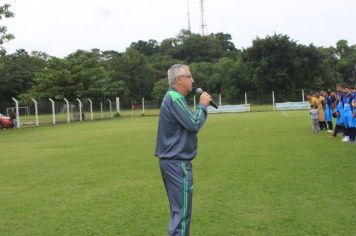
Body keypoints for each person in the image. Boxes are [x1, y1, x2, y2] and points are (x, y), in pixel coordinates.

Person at [155, 64, 212, 236]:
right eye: (189, 76)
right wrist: (202, 105)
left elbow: (189, 121)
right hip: (177, 163)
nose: (192, 80)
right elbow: (194, 124)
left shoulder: (171, 98)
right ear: (179, 79)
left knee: (178, 209)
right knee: (182, 211)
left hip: (170, 161)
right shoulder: (175, 98)